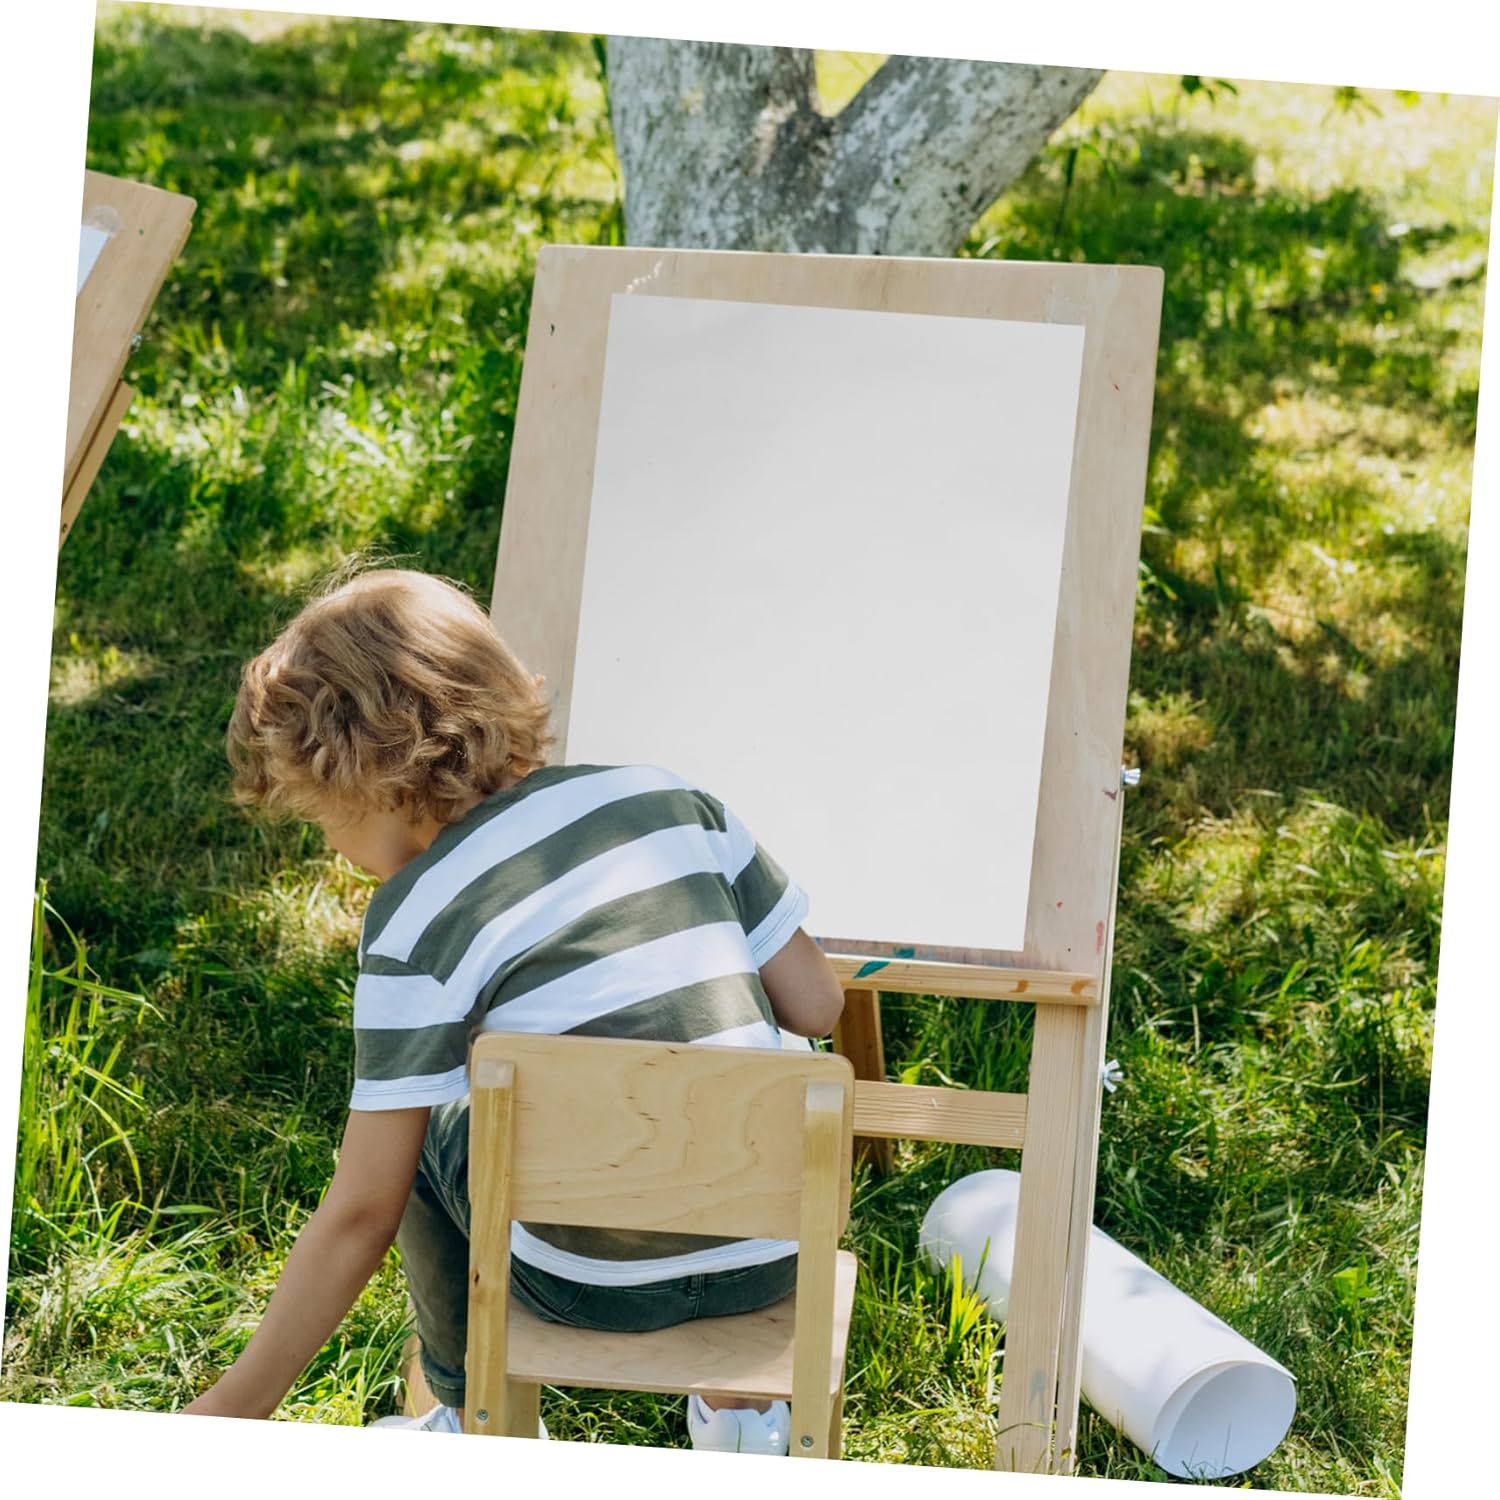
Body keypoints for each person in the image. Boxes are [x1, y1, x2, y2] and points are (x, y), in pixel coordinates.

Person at [183, 565, 846, 1455]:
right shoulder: (668, 799)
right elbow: (819, 1005)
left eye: (322, 819)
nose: (333, 846)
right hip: (774, 1251)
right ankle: (741, 1417)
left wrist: (233, 1408)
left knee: (419, 1124)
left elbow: (363, 1211)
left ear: (368, 781)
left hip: (584, 1281)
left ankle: (466, 1412)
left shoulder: (412, 921)